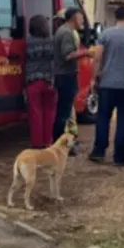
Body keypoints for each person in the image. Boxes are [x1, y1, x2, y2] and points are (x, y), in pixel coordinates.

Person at [89, 6, 124, 166]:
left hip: (107, 83)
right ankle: (119, 156)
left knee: (103, 117)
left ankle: (99, 151)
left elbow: (97, 58)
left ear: (115, 17)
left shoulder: (105, 34)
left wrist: (94, 79)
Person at [52, 8, 90, 147]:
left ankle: (61, 141)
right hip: (65, 76)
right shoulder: (66, 32)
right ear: (73, 18)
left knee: (65, 111)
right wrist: (86, 52)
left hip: (64, 75)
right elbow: (67, 55)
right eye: (80, 18)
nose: (82, 21)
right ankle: (59, 143)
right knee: (64, 113)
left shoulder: (64, 31)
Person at [24, 15, 57, 149]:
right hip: (49, 81)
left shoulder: (28, 42)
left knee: (35, 112)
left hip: (33, 81)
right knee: (49, 112)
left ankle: (37, 144)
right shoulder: (52, 41)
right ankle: (47, 141)